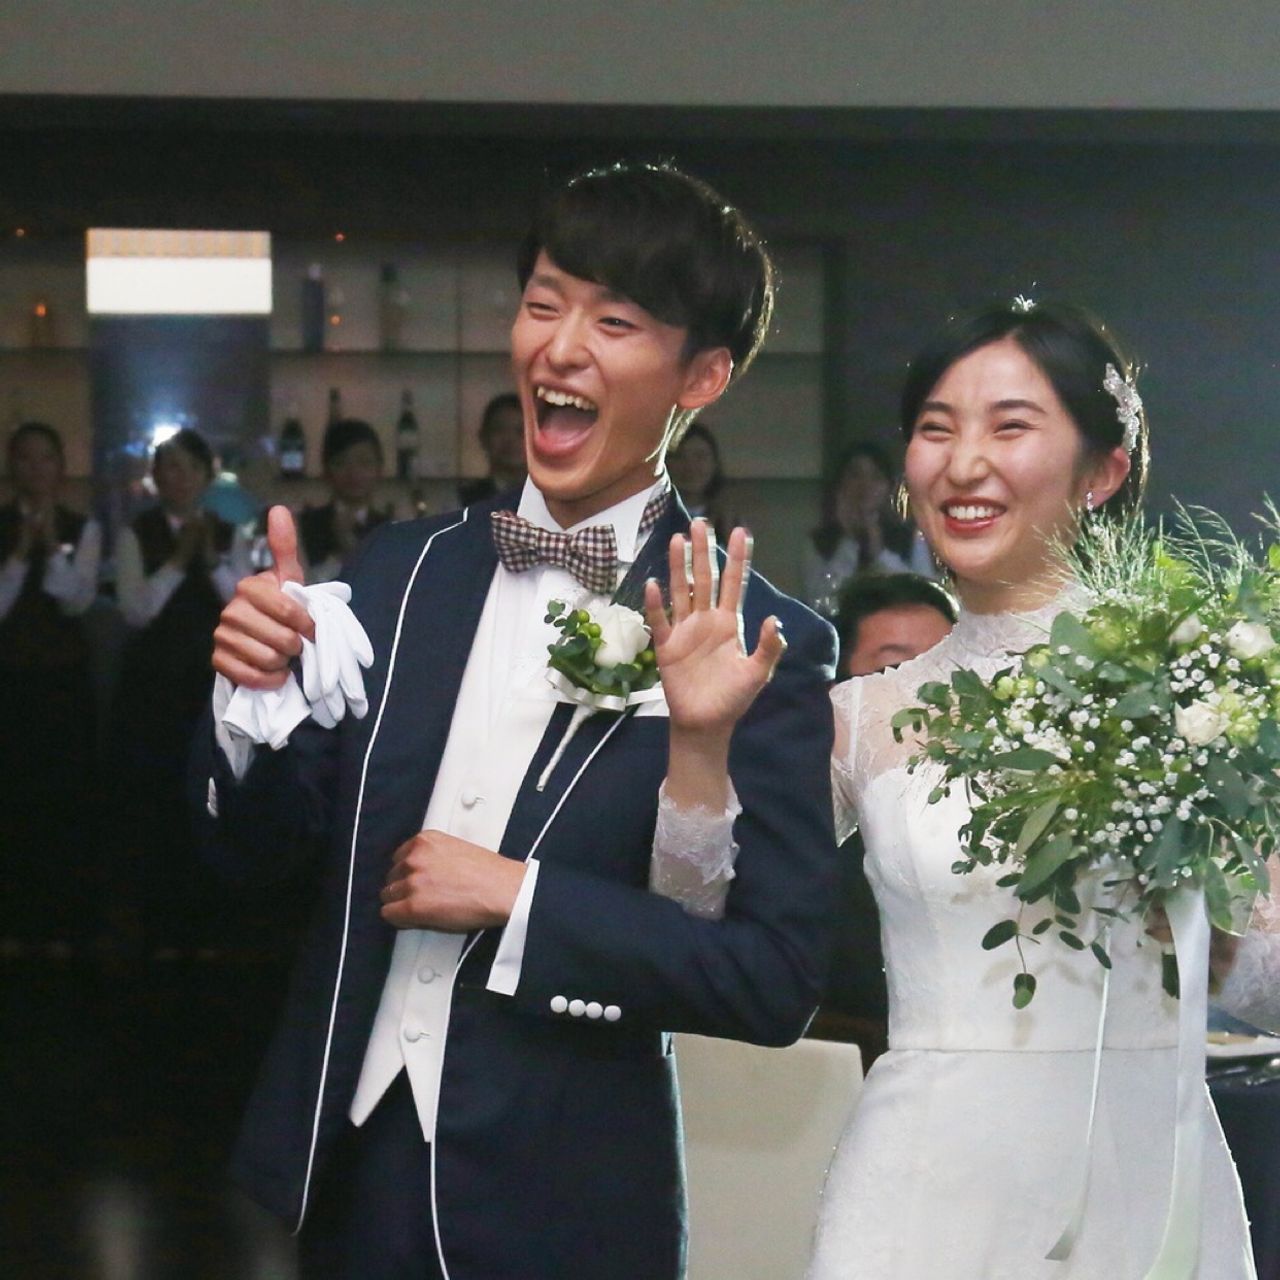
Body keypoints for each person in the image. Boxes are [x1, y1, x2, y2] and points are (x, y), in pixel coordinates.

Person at [194, 161, 838, 1280]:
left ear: (703, 375)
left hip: (566, 1199)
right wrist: (253, 707)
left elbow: (768, 978)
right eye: (543, 303)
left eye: (614, 322)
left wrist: (516, 897)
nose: (560, 348)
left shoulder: (757, 645)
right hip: (347, 1173)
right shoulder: (399, 573)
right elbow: (255, 861)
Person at [650, 300, 1258, 1276]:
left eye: (1009, 426)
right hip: (923, 1188)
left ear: (1103, 470)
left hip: (1144, 1182)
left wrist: (1205, 929)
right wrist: (699, 742)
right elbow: (697, 925)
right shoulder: (859, 718)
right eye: (936, 428)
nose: (963, 462)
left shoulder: (1198, 686)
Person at [114, 428, 252, 951]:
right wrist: (177, 560)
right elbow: (135, 610)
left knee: (211, 798)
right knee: (155, 798)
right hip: (152, 687)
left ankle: (210, 925)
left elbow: (240, 602)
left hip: (211, 684)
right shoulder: (136, 533)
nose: (180, 478)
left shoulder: (228, 532)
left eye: (190, 469)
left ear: (206, 477)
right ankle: (155, 926)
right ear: (154, 476)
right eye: (169, 468)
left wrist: (208, 557)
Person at [809, 573, 957, 1058]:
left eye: (946, 663)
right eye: (895, 669)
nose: (928, 690)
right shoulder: (818, 813)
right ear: (842, 684)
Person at [0, 421, 102, 948]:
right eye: (25, 458)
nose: (35, 469)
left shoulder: (82, 528)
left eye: (46, 458)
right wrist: (20, 553)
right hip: (9, 679)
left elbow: (77, 601)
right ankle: (14, 927)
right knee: (11, 802)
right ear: (11, 467)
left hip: (63, 681)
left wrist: (51, 549)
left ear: (61, 469)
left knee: (64, 802)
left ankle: (66, 927)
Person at [802, 440, 934, 615]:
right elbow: (820, 604)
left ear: (888, 487)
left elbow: (927, 600)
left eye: (876, 477)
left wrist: (879, 552)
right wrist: (848, 541)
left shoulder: (911, 539)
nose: (865, 485)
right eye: (855, 475)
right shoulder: (820, 542)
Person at [297, 418, 390, 583]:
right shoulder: (306, 525)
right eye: (341, 463)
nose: (354, 473)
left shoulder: (389, 530)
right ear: (326, 471)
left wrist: (350, 546)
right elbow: (301, 585)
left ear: (380, 469)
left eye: (364, 462)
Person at [666, 420, 735, 543]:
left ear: (714, 463)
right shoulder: (651, 518)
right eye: (680, 456)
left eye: (700, 457)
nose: (690, 466)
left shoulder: (728, 519)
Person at [457, 391, 527, 505]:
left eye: (521, 431)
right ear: (483, 437)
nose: (510, 440)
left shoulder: (552, 500)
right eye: (500, 430)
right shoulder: (462, 499)